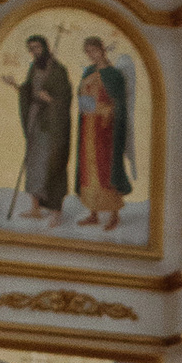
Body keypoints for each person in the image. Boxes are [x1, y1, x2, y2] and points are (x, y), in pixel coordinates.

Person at [74, 33, 133, 229]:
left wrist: (104, 110)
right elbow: (82, 97)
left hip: (106, 130)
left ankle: (114, 214)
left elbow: (119, 105)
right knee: (89, 169)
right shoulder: (88, 71)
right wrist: (87, 105)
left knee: (106, 169)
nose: (91, 55)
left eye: (94, 51)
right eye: (88, 52)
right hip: (89, 127)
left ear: (102, 50)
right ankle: (93, 212)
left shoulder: (114, 75)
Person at [14, 32, 74, 221]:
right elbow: (30, 91)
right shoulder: (34, 68)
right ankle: (35, 208)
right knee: (34, 164)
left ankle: (56, 212)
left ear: (45, 48)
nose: (34, 52)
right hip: (36, 123)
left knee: (52, 163)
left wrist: (49, 99)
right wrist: (17, 86)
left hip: (53, 127)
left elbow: (65, 98)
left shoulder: (58, 70)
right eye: (31, 49)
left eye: (37, 48)